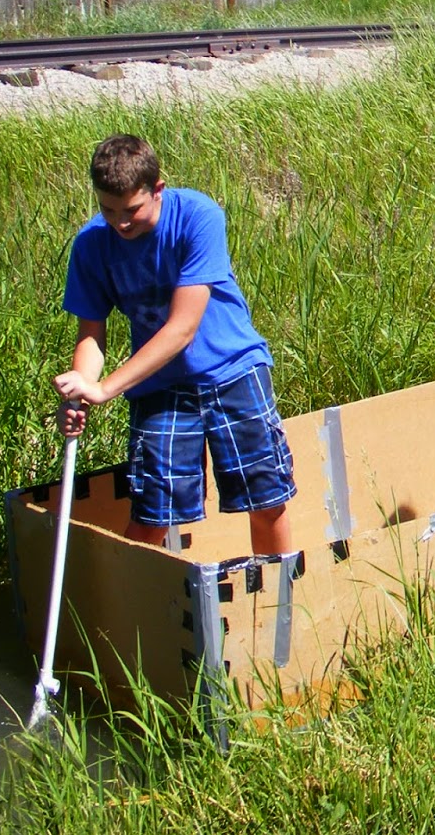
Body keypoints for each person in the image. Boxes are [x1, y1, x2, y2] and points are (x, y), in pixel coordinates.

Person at [53, 134, 295, 554]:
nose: (119, 224)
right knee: (152, 514)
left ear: (158, 189)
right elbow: (91, 333)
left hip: (231, 370)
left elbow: (182, 329)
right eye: (107, 210)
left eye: (131, 211)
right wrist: (81, 391)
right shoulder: (92, 245)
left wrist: (106, 389)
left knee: (265, 499)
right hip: (159, 385)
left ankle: (279, 607)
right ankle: (139, 615)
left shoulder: (198, 216)